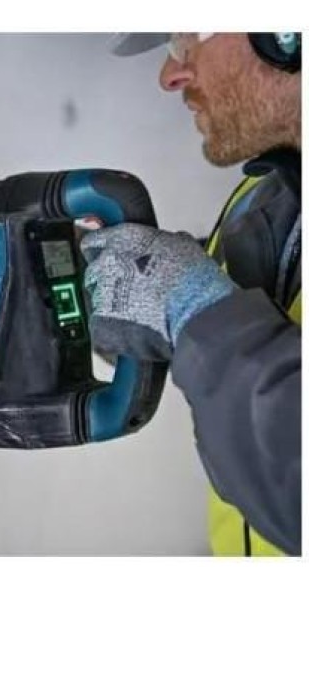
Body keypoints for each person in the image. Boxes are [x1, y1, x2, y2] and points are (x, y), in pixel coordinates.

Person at [81, 33, 301, 556]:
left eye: (186, 37)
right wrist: (119, 285)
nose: (170, 75)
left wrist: (190, 309)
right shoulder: (273, 200)